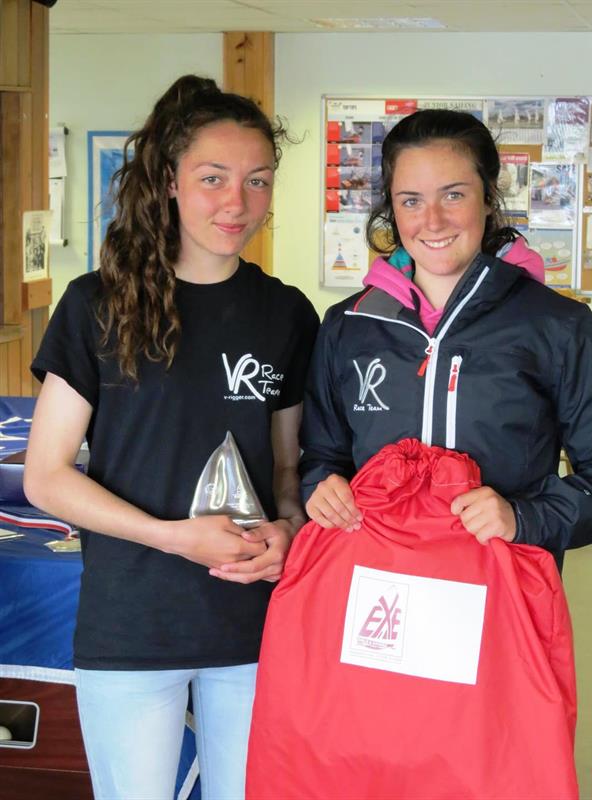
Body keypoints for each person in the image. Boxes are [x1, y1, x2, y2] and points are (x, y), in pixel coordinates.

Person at [24, 74, 319, 800]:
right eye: (213, 178)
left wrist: (289, 531)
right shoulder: (98, 304)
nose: (236, 202)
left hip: (253, 623)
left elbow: (289, 473)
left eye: (257, 181)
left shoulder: (284, 314)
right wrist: (171, 536)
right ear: (169, 183)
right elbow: (47, 476)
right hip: (133, 624)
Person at [300, 109, 592, 571]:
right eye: (411, 201)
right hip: (377, 593)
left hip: (500, 596)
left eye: (453, 195)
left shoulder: (558, 325)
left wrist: (523, 517)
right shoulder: (348, 325)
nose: (432, 221)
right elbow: (320, 456)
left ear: (488, 199)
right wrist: (320, 487)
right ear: (391, 209)